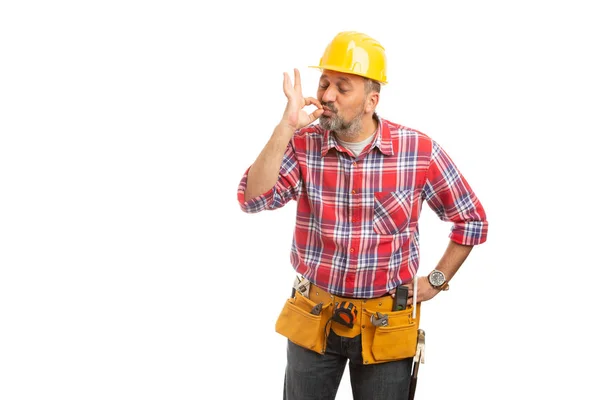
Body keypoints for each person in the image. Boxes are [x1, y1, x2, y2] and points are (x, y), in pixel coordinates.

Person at [237, 31, 488, 400]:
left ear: (372, 100)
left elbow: (472, 219)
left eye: (342, 87)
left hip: (386, 324)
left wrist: (435, 280)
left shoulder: (417, 151)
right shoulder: (303, 145)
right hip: (313, 317)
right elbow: (252, 199)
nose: (326, 96)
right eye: (324, 84)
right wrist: (285, 128)